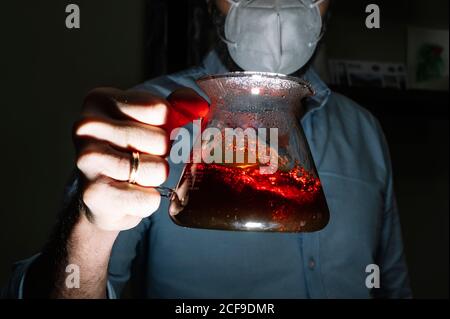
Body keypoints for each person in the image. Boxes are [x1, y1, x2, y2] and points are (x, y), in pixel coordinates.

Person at [2, 0, 411, 298]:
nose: (275, 9)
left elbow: (394, 286)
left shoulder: (365, 131)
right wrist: (90, 224)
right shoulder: (150, 117)